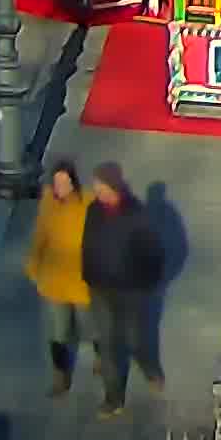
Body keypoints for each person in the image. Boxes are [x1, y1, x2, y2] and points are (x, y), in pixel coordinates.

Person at [79, 163, 166, 415]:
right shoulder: (94, 210)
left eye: (100, 187)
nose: (96, 191)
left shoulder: (137, 215)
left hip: (131, 292)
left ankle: (150, 368)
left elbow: (153, 254)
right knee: (107, 343)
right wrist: (88, 276)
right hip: (101, 290)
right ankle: (113, 397)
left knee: (135, 338)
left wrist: (147, 284)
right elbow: (87, 244)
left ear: (114, 187)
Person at [27, 161, 93, 396]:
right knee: (59, 332)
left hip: (82, 281)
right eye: (57, 183)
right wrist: (34, 267)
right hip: (54, 281)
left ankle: (102, 358)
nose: (60, 187)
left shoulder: (88, 204)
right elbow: (40, 237)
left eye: (65, 183)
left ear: (74, 183)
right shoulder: (48, 204)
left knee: (89, 327)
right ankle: (61, 377)